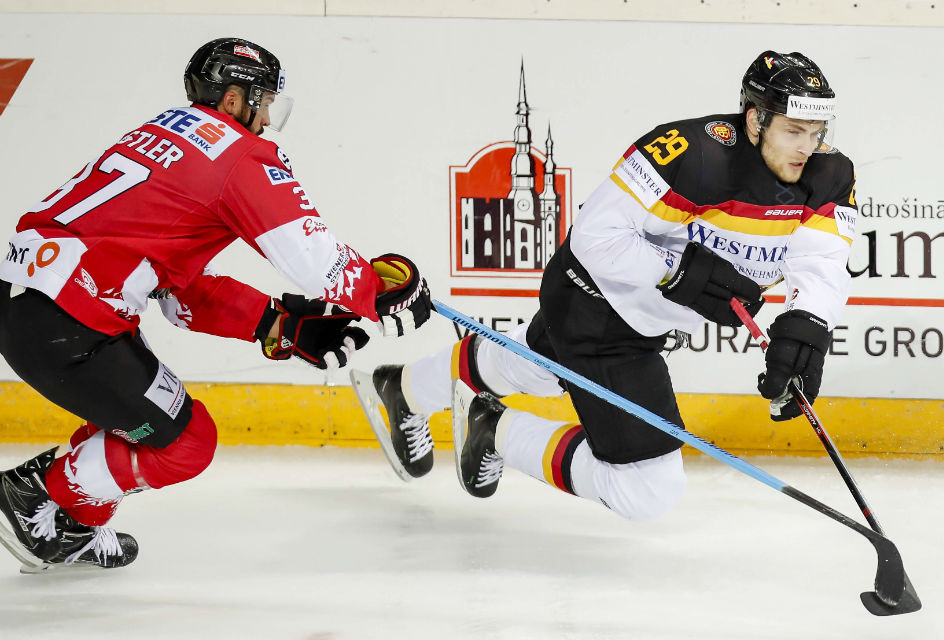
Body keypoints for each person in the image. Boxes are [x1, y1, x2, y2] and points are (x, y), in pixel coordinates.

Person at [352, 50, 855, 521]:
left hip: (641, 314)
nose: (809, 146)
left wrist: (806, 326)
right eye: (794, 131)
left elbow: (823, 258)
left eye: (817, 131)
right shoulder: (688, 153)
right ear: (755, 120)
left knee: (539, 367)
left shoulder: (829, 173)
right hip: (598, 304)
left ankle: (403, 388)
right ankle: (494, 429)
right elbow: (595, 237)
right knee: (647, 489)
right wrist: (681, 272)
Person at [0, 37, 431, 572]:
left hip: (28, 306)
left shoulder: (162, 134)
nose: (269, 119)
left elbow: (180, 294)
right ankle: (36, 494)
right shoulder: (238, 153)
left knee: (134, 420)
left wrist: (277, 323)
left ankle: (72, 526)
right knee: (187, 444)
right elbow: (311, 258)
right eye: (265, 101)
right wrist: (376, 294)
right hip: (72, 323)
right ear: (233, 99)